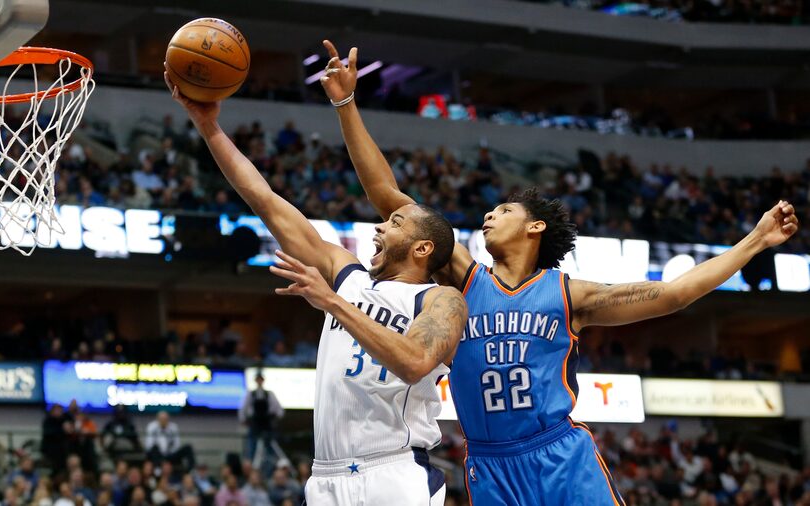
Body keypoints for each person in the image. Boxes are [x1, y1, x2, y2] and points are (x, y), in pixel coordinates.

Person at [318, 39, 801, 505]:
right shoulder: (465, 278)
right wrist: (347, 104)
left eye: (504, 210)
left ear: (535, 227)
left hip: (558, 455)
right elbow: (389, 197)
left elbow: (674, 293)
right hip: (488, 462)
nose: (489, 215)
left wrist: (755, 240)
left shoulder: (571, 295)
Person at [164, 65, 468, 506]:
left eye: (395, 222)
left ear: (423, 249)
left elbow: (417, 361)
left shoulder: (441, 299)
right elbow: (264, 200)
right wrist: (208, 127)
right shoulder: (347, 273)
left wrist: (331, 302)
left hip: (394, 470)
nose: (380, 228)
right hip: (325, 477)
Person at [238, 373, 284, 466]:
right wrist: (243, 420)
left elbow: (279, 409)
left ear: (263, 381)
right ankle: (251, 465)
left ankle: (272, 465)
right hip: (255, 423)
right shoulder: (251, 394)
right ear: (256, 381)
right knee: (252, 447)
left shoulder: (269, 394)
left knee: (270, 446)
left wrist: (275, 419)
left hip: (266, 423)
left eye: (261, 379)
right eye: (258, 379)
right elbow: (243, 408)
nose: (259, 381)